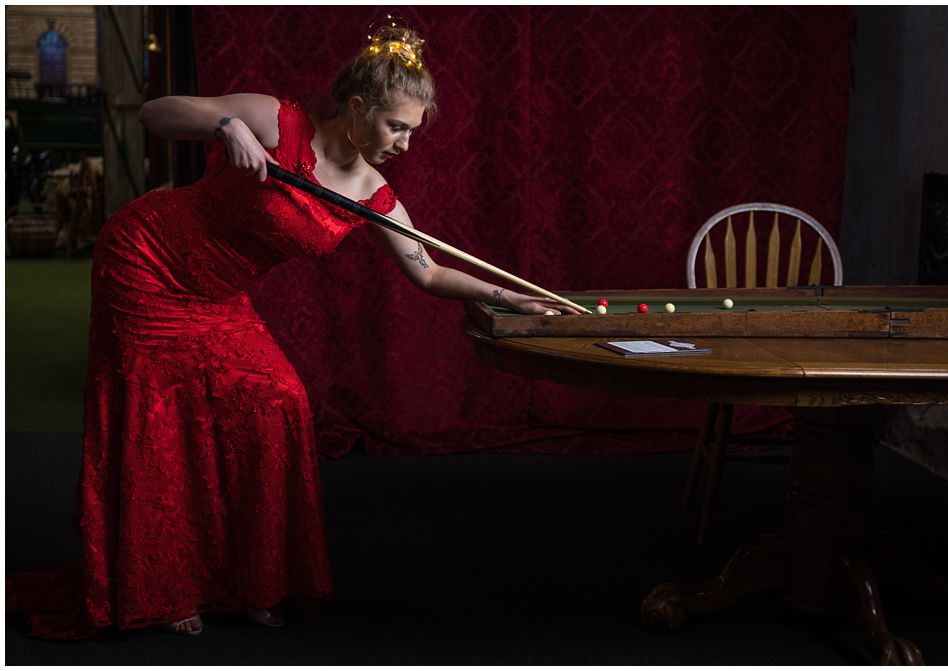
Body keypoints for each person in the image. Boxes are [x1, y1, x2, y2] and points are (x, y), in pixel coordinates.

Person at [10, 21, 576, 640]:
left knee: (279, 401)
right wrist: (225, 126)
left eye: (414, 131)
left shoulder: (371, 192)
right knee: (161, 412)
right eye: (398, 127)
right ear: (358, 109)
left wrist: (510, 297)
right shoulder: (276, 120)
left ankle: (251, 579)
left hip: (219, 296)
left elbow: (431, 274)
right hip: (147, 262)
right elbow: (155, 112)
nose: (406, 145)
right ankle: (162, 587)